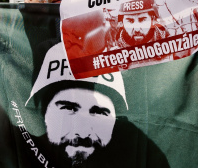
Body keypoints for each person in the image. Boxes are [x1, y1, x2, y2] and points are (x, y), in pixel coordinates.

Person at [27, 42, 169, 167]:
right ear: (44, 112)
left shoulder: (141, 154)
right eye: (69, 108)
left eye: (99, 113)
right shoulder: (19, 150)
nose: (82, 133)